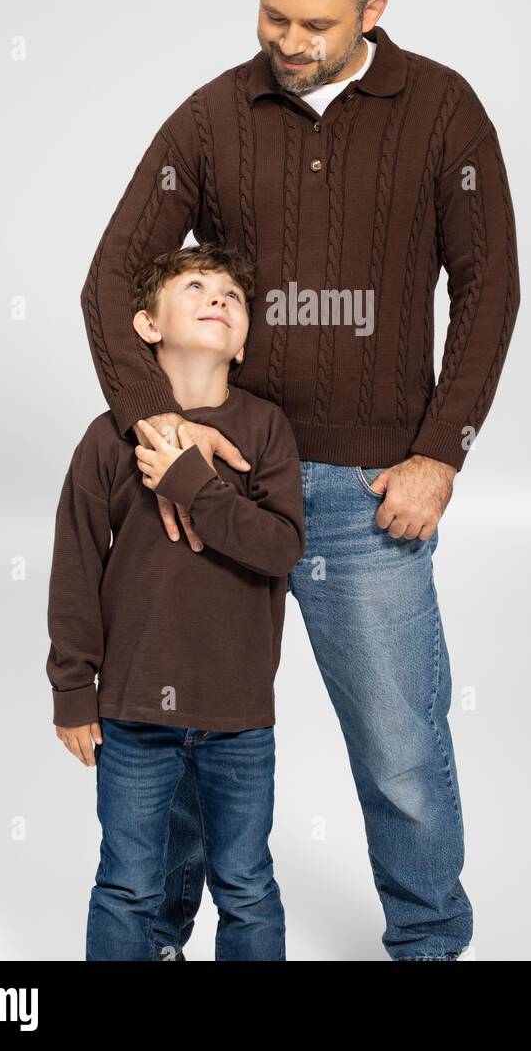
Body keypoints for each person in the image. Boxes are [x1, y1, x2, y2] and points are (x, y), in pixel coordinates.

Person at [80, 0, 521, 960]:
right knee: (185, 729)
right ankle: (154, 940)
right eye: (272, 15)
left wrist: (438, 452)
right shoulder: (212, 114)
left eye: (313, 25)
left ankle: (427, 942)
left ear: (371, 8)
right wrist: (161, 434)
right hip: (216, 478)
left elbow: (488, 288)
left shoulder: (443, 111)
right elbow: (108, 282)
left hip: (366, 486)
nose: (286, 42)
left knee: (400, 744)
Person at [46, 243, 306, 961]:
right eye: (195, 285)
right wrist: (73, 688)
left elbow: (280, 548)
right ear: (146, 325)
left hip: (238, 716)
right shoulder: (106, 440)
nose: (217, 295)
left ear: (246, 337)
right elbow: (75, 568)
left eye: (232, 293)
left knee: (247, 886)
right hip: (131, 714)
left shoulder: (267, 431)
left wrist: (193, 482)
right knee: (128, 885)